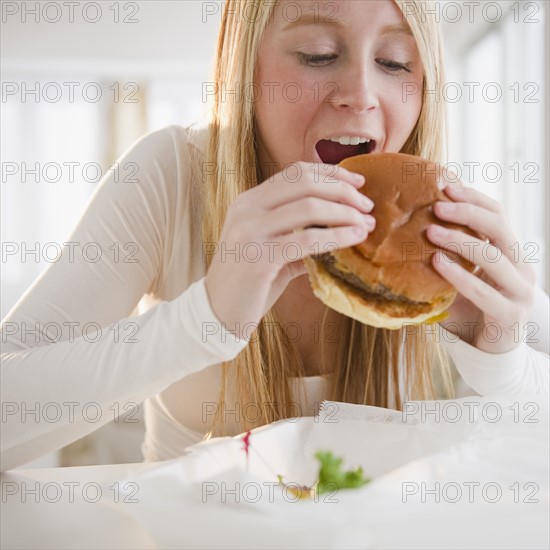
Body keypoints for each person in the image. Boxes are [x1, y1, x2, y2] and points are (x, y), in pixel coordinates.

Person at [1, 0, 548, 471]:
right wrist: (202, 320)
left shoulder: (443, 225)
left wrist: (504, 364)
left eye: (394, 62)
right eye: (317, 54)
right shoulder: (170, 176)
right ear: (246, 64)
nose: (359, 94)